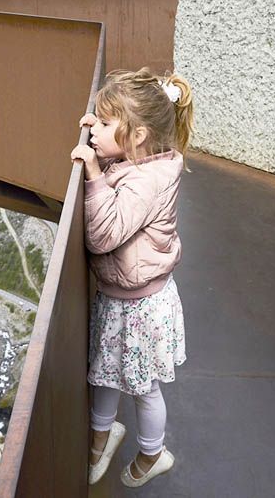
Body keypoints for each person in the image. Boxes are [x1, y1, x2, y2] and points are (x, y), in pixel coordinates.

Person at [69, 68, 194, 488]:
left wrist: (92, 174)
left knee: (143, 390)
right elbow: (120, 167)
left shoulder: (145, 181)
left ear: (137, 135)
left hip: (142, 305)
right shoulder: (139, 161)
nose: (94, 131)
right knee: (104, 373)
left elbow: (104, 235)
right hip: (122, 294)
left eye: (105, 124)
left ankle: (153, 452)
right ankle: (100, 438)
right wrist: (104, 146)